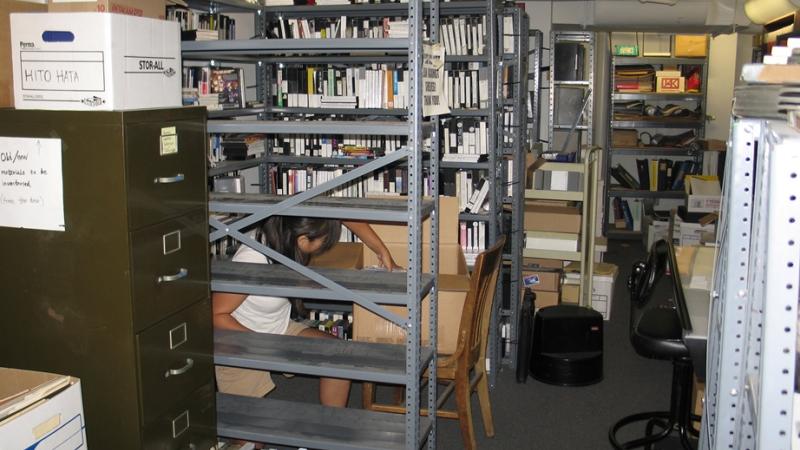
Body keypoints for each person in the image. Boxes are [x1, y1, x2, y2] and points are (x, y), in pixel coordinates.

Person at [213, 216, 399, 408]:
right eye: (323, 241)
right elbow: (216, 316)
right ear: (303, 240)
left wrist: (382, 252)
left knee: (339, 356)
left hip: (278, 329)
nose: (323, 248)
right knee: (249, 437)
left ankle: (332, 424)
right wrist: (263, 345)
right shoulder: (253, 259)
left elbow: (343, 215)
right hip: (238, 339)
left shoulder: (287, 238)